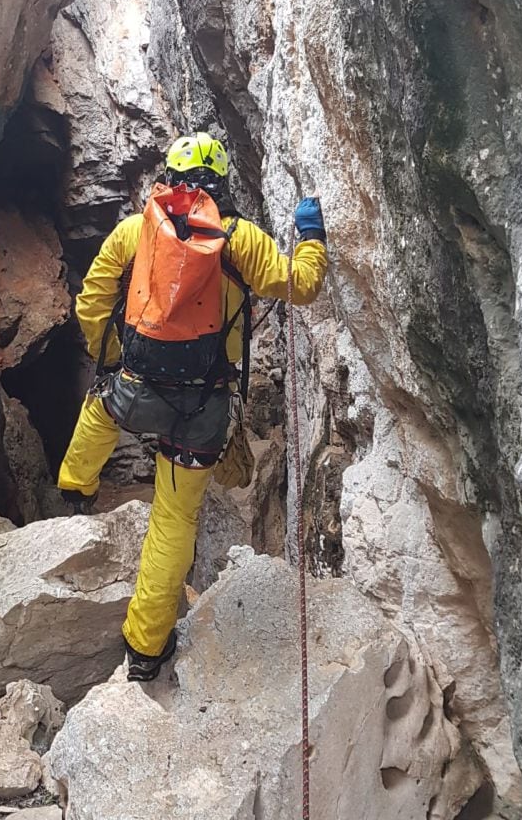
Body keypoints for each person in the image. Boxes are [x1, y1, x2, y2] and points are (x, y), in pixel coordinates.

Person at [57, 132, 329, 681]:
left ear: (168, 178)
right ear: (222, 183)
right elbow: (301, 286)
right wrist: (311, 237)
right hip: (202, 406)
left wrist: (111, 358)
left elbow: (92, 302)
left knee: (101, 407)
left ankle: (74, 486)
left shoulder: (135, 232)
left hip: (134, 389)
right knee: (173, 519)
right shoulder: (240, 239)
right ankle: (144, 649)